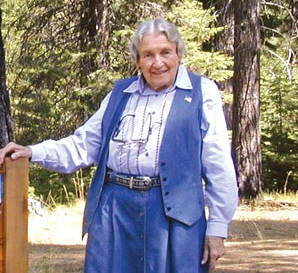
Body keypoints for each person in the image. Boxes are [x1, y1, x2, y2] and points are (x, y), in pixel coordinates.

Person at [0, 18, 238, 273]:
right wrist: (33, 151)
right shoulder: (120, 93)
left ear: (178, 54)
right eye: (148, 55)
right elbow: (83, 145)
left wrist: (217, 227)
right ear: (137, 60)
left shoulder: (203, 92)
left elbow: (218, 164)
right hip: (114, 210)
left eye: (165, 52)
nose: (158, 63)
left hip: (174, 216)